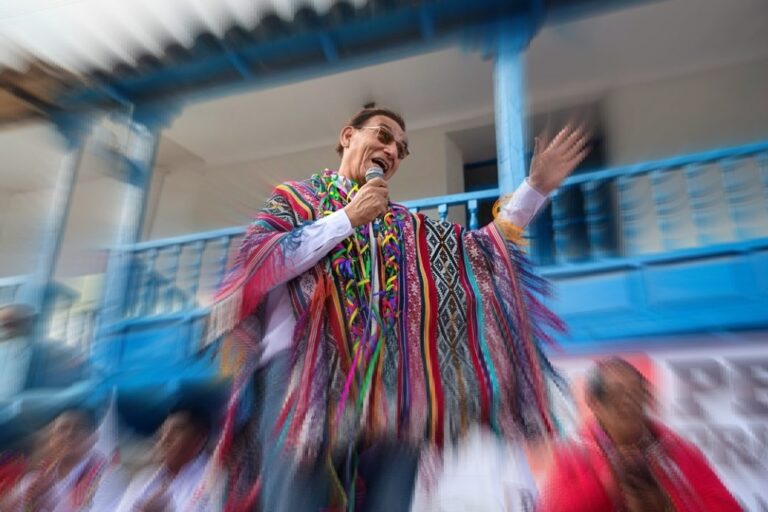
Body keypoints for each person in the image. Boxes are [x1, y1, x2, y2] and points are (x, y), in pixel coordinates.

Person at [206, 106, 589, 511]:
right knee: (296, 502)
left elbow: (482, 251)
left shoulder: (406, 228)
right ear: (348, 136)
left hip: (391, 383)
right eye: (384, 137)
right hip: (302, 376)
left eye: (401, 150)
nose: (392, 152)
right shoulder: (297, 199)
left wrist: (536, 188)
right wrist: (348, 219)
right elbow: (260, 262)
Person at [537, 357, 742, 512]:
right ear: (594, 403)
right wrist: (606, 484)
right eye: (615, 395)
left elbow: (727, 507)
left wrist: (667, 505)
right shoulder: (574, 457)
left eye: (636, 394)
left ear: (647, 398)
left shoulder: (679, 451)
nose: (628, 403)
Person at [1, 409, 125, 512]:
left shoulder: (107, 476)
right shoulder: (36, 479)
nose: (70, 434)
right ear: (52, 438)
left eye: (79, 428)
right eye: (62, 429)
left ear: (93, 437)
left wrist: (53, 504)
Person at [116, 407, 224, 512]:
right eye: (163, 432)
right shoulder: (145, 478)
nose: (165, 440)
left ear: (199, 439)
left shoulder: (214, 479)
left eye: (175, 432)